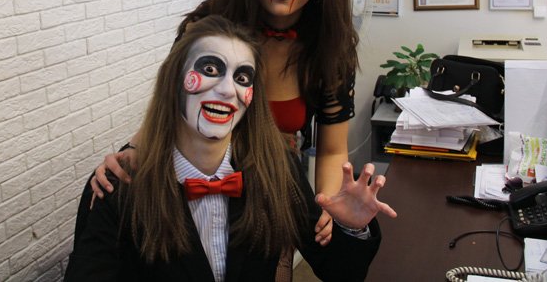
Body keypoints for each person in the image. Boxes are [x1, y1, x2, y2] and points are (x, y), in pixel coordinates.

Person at [92, 0, 362, 246]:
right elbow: (169, 107)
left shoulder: (328, 47)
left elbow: (331, 149)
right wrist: (132, 152)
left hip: (270, 197)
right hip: (190, 195)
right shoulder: (205, 29)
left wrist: (327, 203)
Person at [63, 16, 395, 281]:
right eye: (210, 69)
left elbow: (341, 272)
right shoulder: (118, 185)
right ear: (174, 81)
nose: (227, 90)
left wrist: (352, 227)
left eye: (242, 78)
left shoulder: (277, 169)